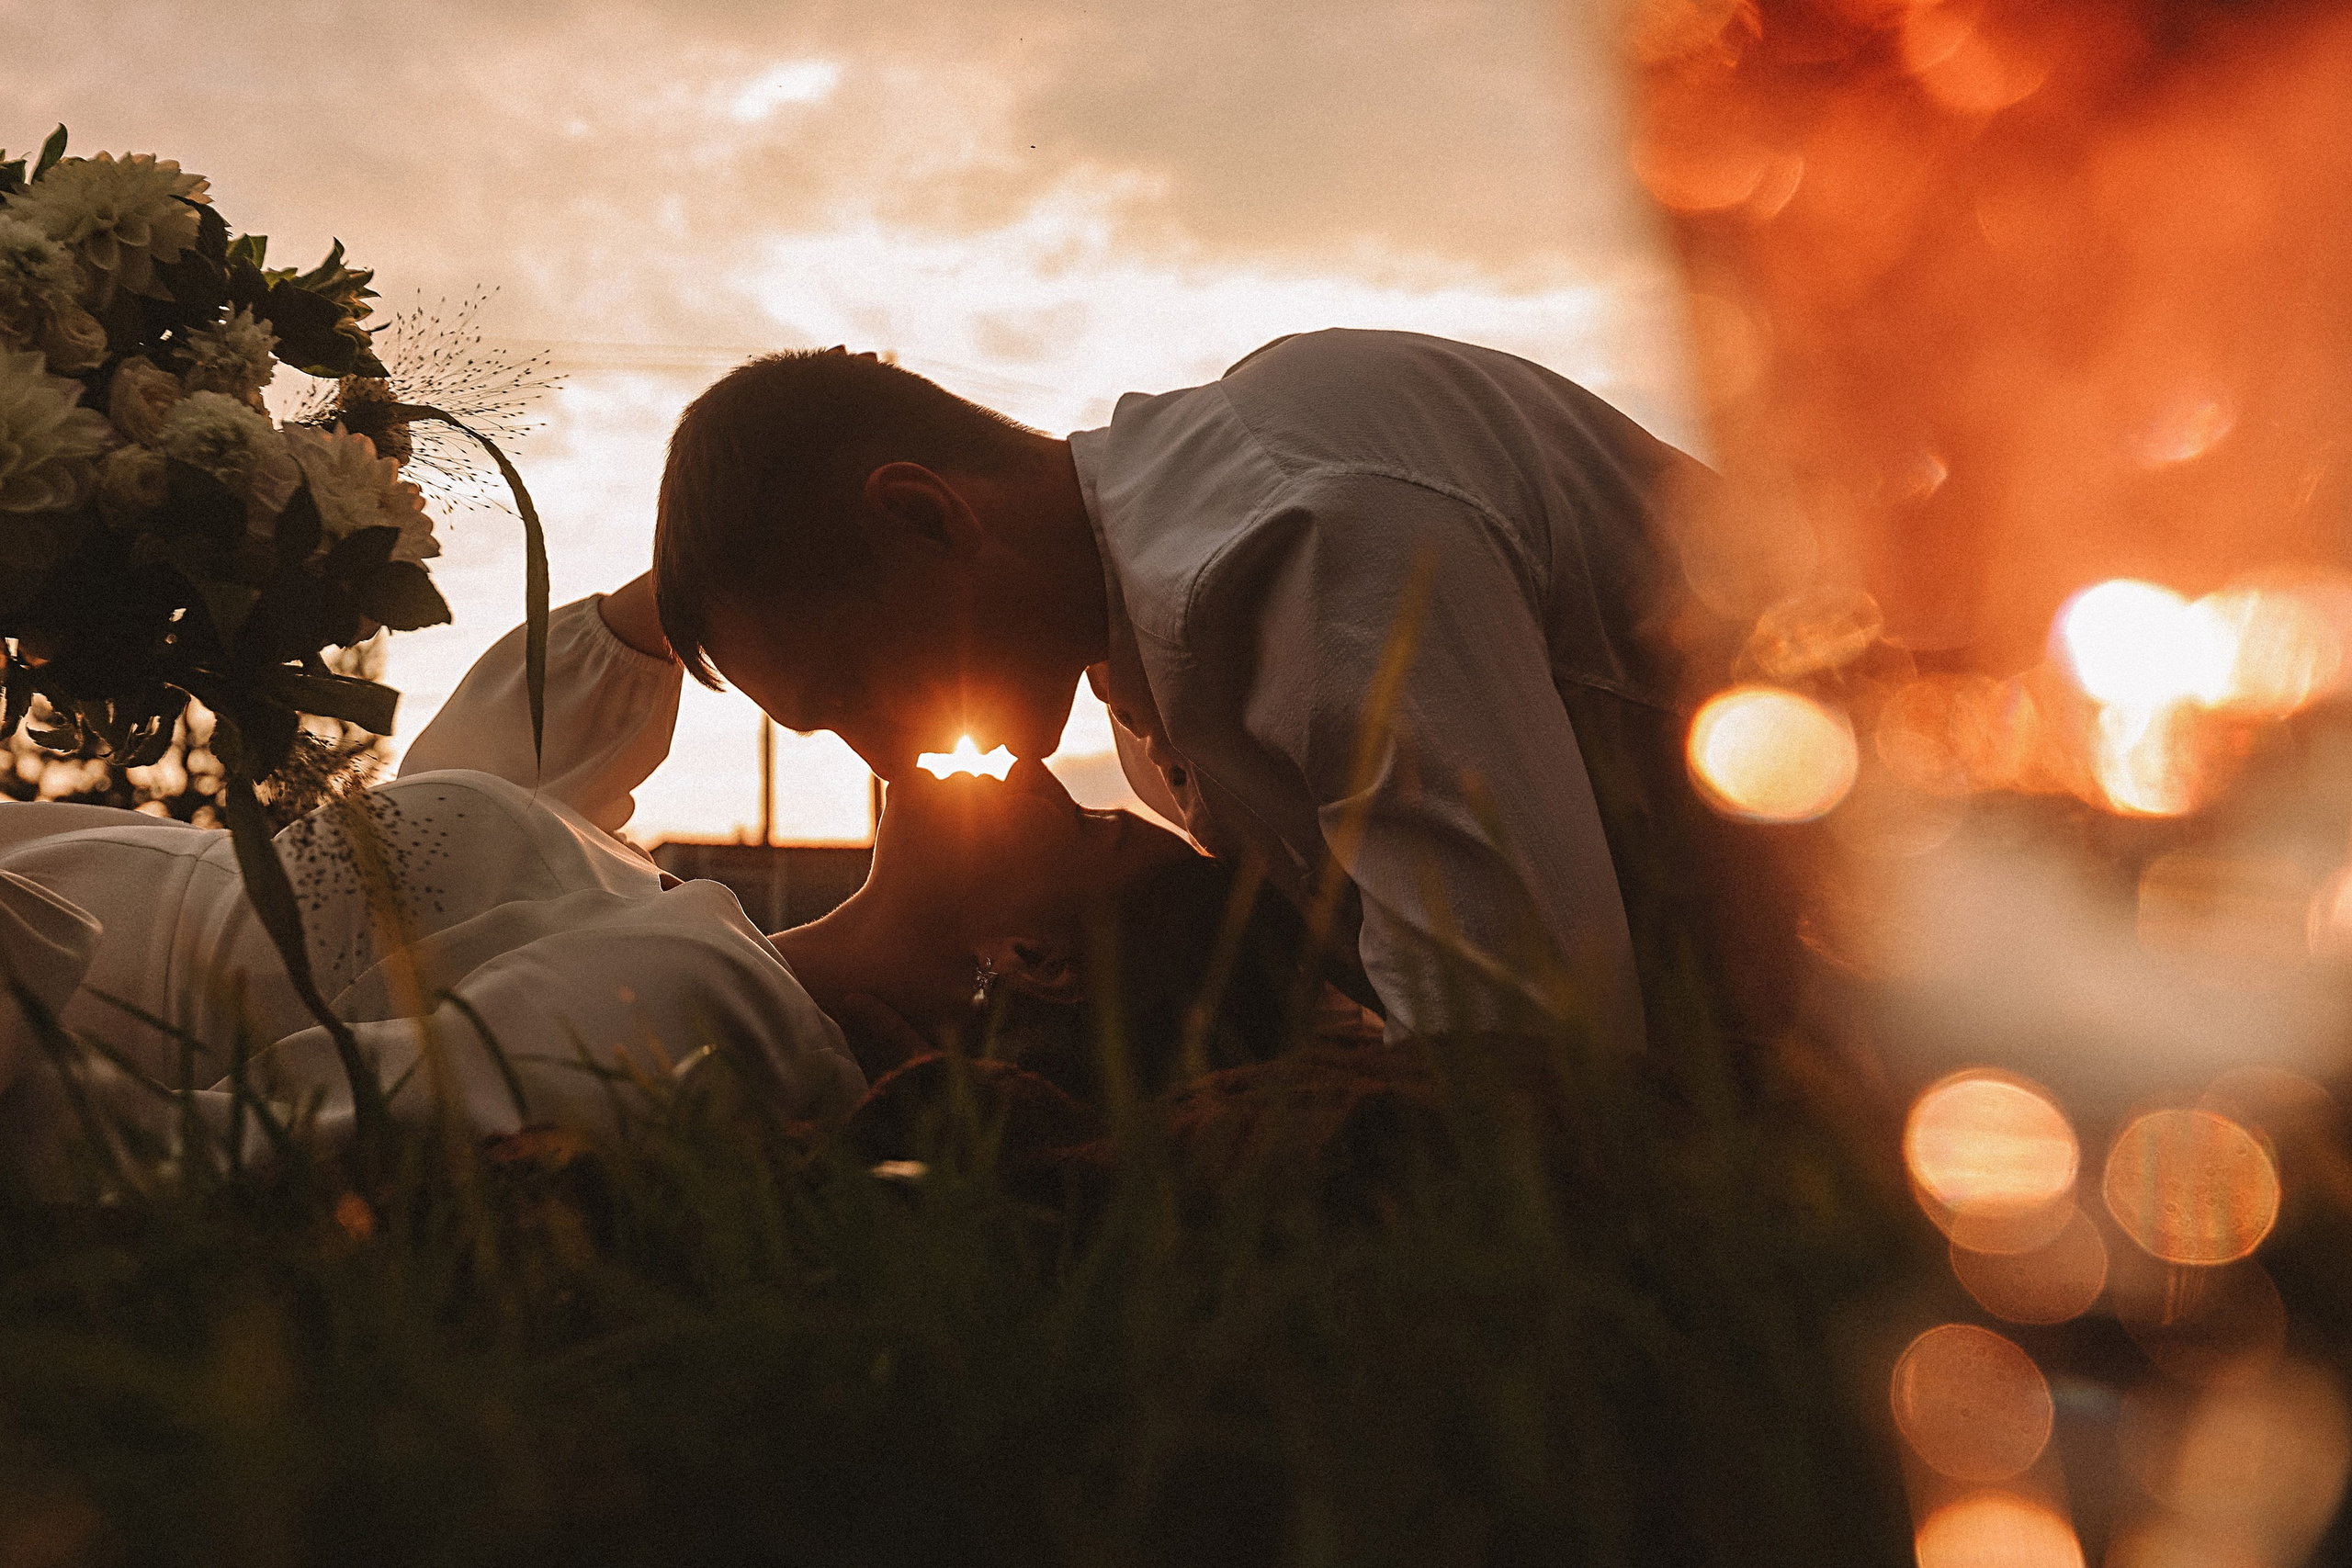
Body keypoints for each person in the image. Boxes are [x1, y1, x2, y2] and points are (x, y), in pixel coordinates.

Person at [651, 331, 1710, 1050]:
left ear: (928, 520)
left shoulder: (1294, 536)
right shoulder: (1150, 692)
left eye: (849, 689)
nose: (884, 763)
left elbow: (1523, 1058)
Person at [0, 577, 1198, 1168]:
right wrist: (727, 582)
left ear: (1030, 962)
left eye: (1086, 828)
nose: (1047, 773)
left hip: (65, 972)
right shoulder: (679, 932)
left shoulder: (713, 1018)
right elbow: (459, 802)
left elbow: (318, 1131)